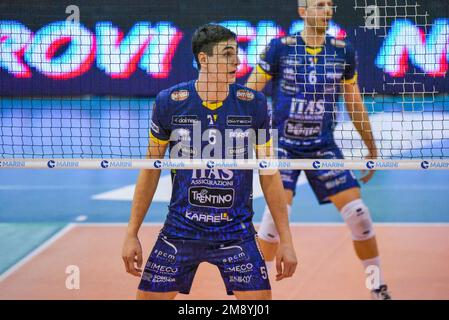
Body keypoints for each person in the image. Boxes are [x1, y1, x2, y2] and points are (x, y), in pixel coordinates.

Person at [122, 24, 297, 300]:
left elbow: (269, 172)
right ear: (203, 59)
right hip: (180, 230)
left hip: (235, 231)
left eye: (236, 53)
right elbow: (150, 170)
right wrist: (132, 233)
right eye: (227, 54)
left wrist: (286, 239)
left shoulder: (255, 104)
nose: (237, 61)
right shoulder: (169, 102)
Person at [245, 0, 391, 299]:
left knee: (359, 216)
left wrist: (371, 149)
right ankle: (254, 287)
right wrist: (243, 138)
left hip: (322, 146)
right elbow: (250, 94)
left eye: (329, 5)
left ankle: (377, 287)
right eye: (318, 5)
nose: (326, 10)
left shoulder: (342, 51)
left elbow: (354, 102)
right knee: (274, 220)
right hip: (283, 146)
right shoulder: (280, 47)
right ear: (303, 11)